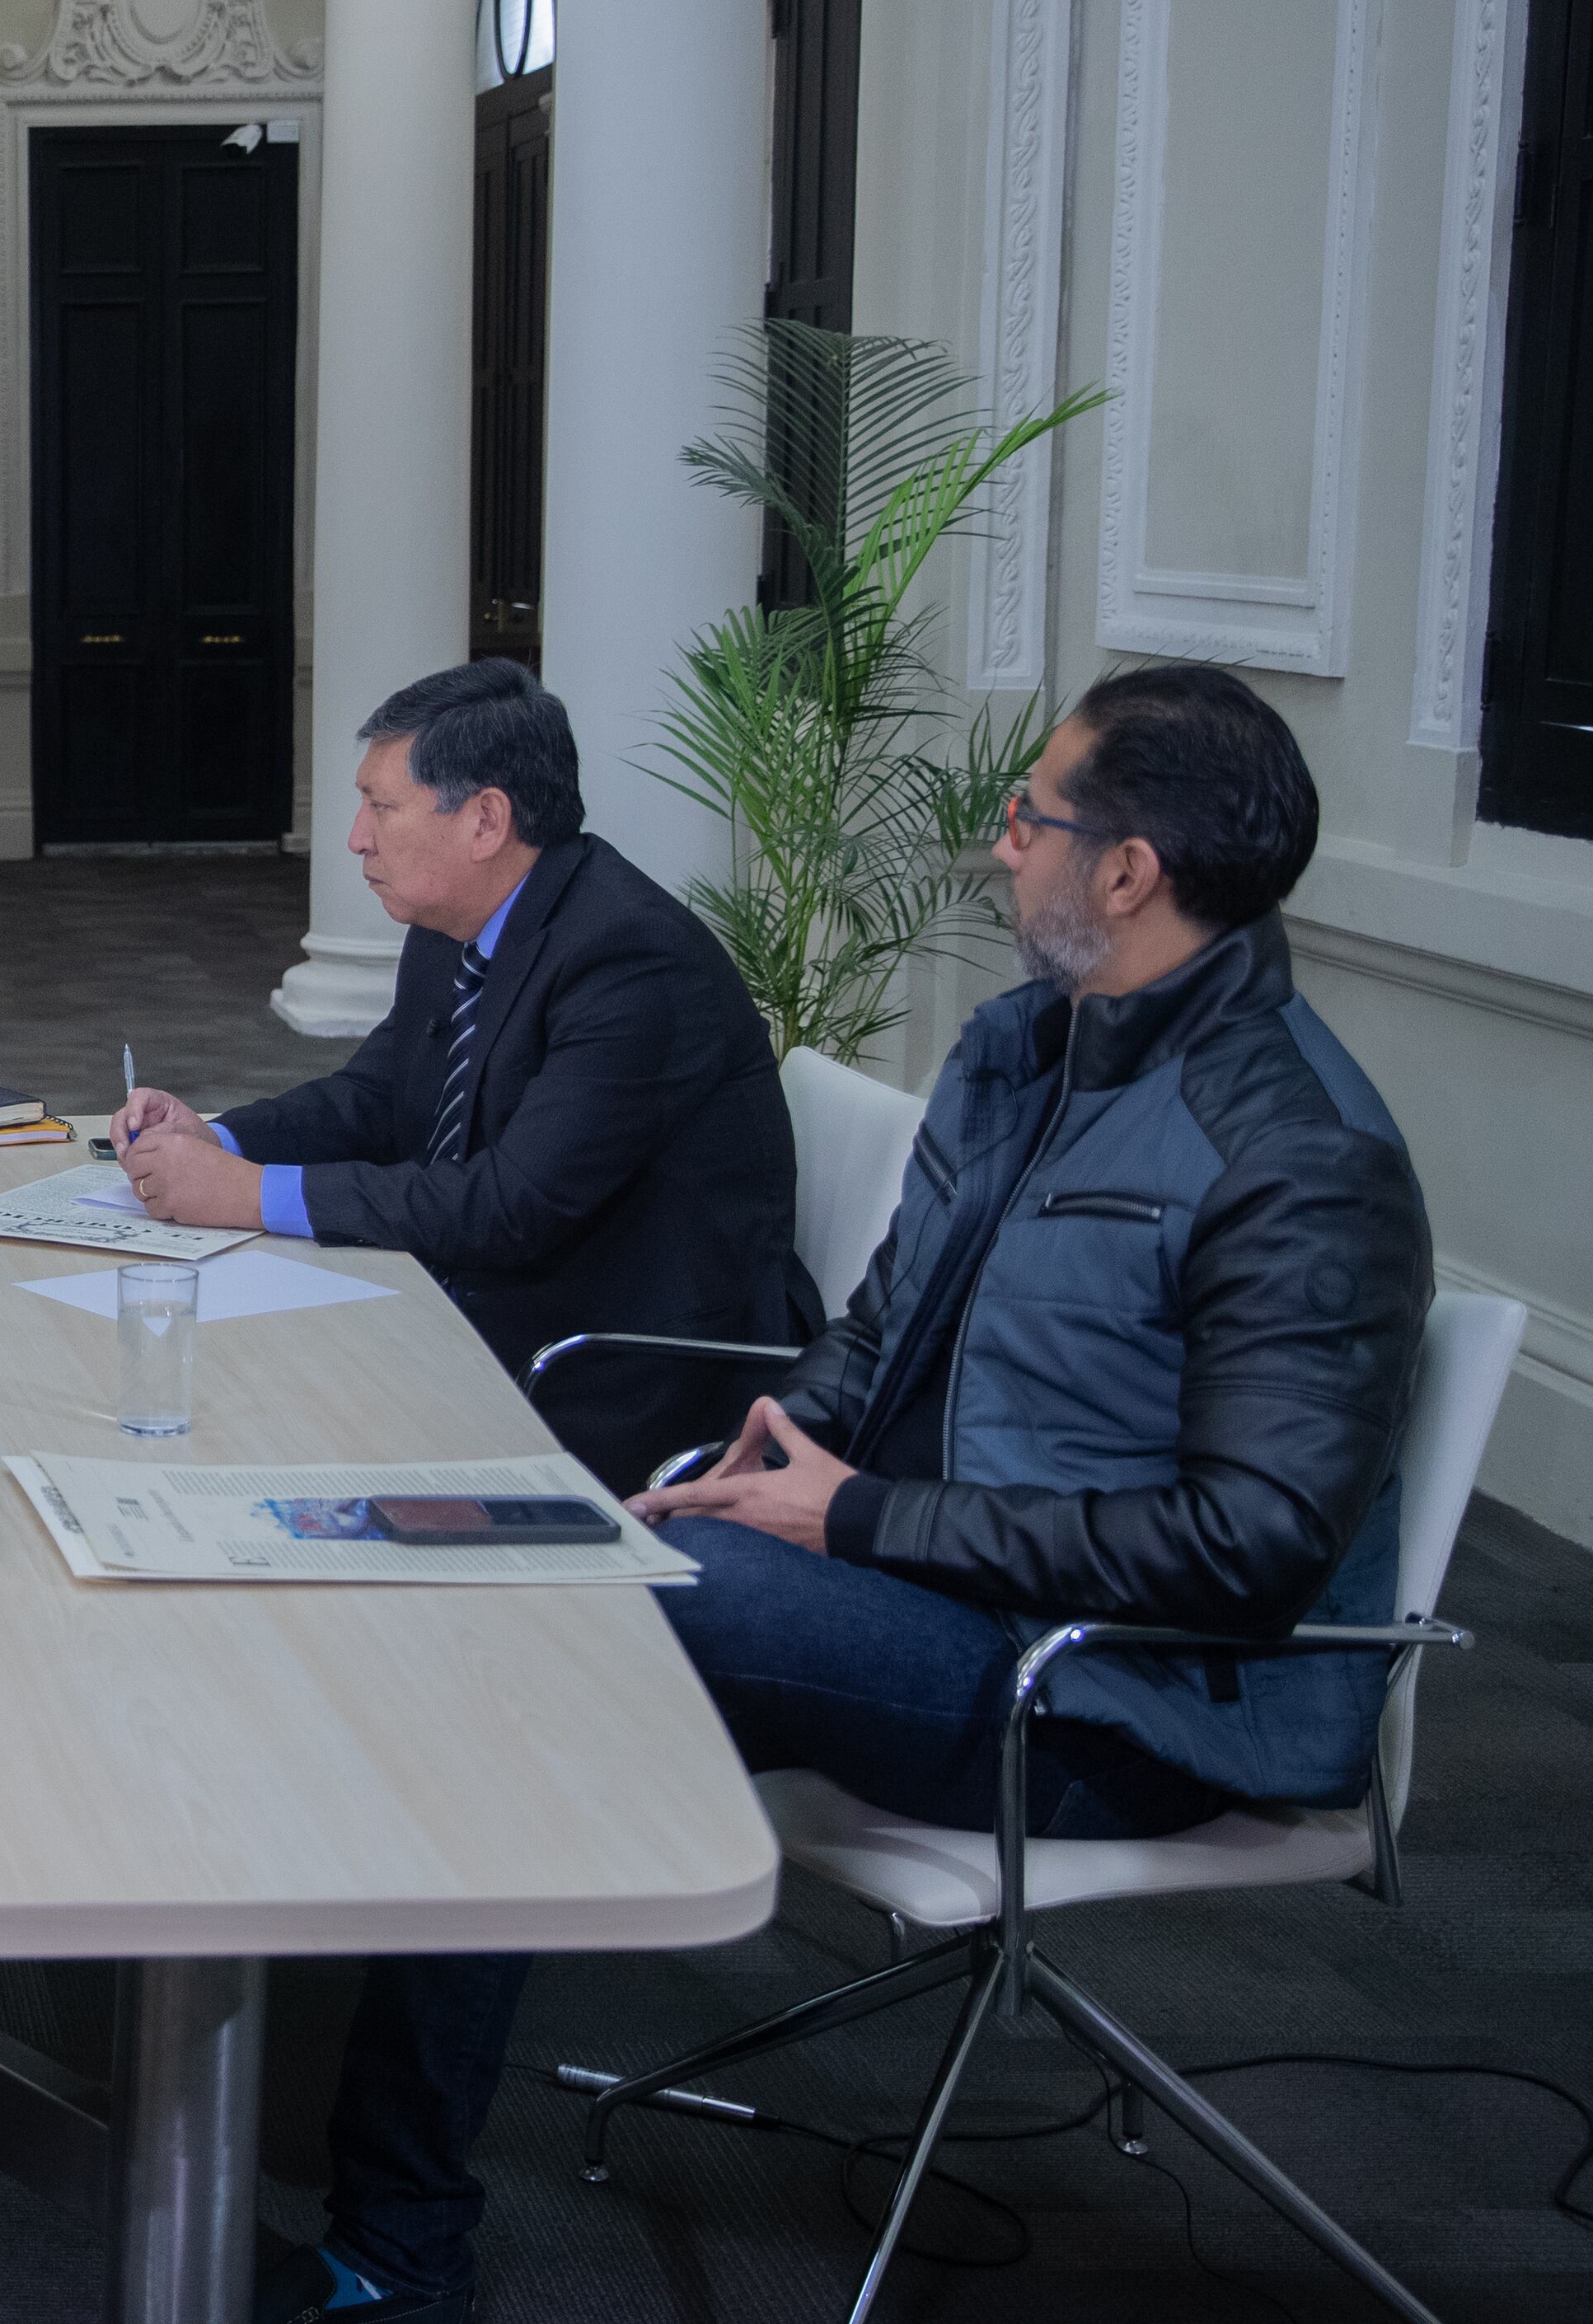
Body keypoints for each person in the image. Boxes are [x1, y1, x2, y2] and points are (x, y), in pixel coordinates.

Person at [266, 662, 1430, 2324]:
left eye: (1029, 815)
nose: (997, 845)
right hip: (933, 1588)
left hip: (1106, 1694)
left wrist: (855, 1518)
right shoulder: (1029, 1047)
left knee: (541, 1629)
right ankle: (332, 2127)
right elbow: (883, 1323)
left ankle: (393, 2243)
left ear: (1128, 869)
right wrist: (761, 1456)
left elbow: (1243, 1552)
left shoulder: (1298, 1155)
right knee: (522, 1563)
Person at [115, 657, 812, 1493]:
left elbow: (509, 1207)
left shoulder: (629, 960)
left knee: (267, 1426)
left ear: (484, 821)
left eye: (379, 806)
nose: (354, 837)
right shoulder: (455, 921)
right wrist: (217, 1136)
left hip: (611, 1369)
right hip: (476, 1308)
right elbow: (377, 1097)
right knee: (230, 1395)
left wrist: (244, 1191)